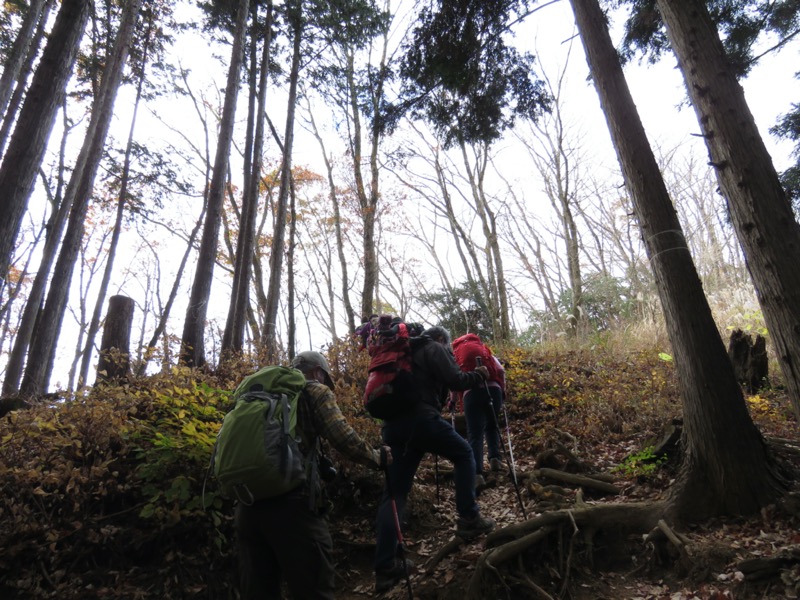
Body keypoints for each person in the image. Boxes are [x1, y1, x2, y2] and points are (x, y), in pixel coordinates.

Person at [236, 351, 392, 600]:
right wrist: (376, 458)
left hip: (247, 505)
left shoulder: (259, 395)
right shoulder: (314, 391)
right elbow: (342, 437)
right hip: (292, 507)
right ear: (318, 372)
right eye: (323, 377)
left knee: (258, 591)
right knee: (314, 588)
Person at [373, 326, 496, 593]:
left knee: (394, 494)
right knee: (464, 454)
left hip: (393, 428)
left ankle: (385, 567)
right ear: (442, 339)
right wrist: (478, 375)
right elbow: (456, 380)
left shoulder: (400, 356)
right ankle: (468, 518)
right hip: (421, 420)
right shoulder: (433, 347)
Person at [452, 333, 506, 488]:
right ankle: (495, 459)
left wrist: (452, 400)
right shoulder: (484, 350)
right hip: (494, 391)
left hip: (472, 393)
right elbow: (500, 371)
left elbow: (455, 380)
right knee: (492, 424)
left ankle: (477, 474)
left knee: (475, 433)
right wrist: (502, 390)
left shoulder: (457, 356)